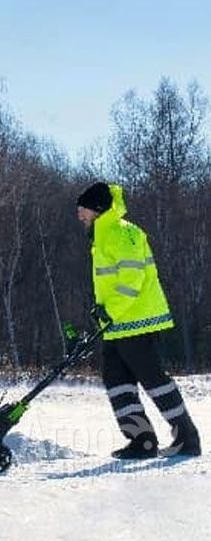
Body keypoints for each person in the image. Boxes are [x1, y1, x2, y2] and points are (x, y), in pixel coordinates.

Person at [76, 182, 202, 458]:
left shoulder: (123, 233)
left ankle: (187, 438)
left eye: (83, 209)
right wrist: (103, 311)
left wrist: (110, 310)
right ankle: (141, 441)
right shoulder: (103, 236)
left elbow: (132, 279)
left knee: (153, 379)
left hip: (137, 320)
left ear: (98, 208)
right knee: (117, 382)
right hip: (117, 323)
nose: (79, 215)